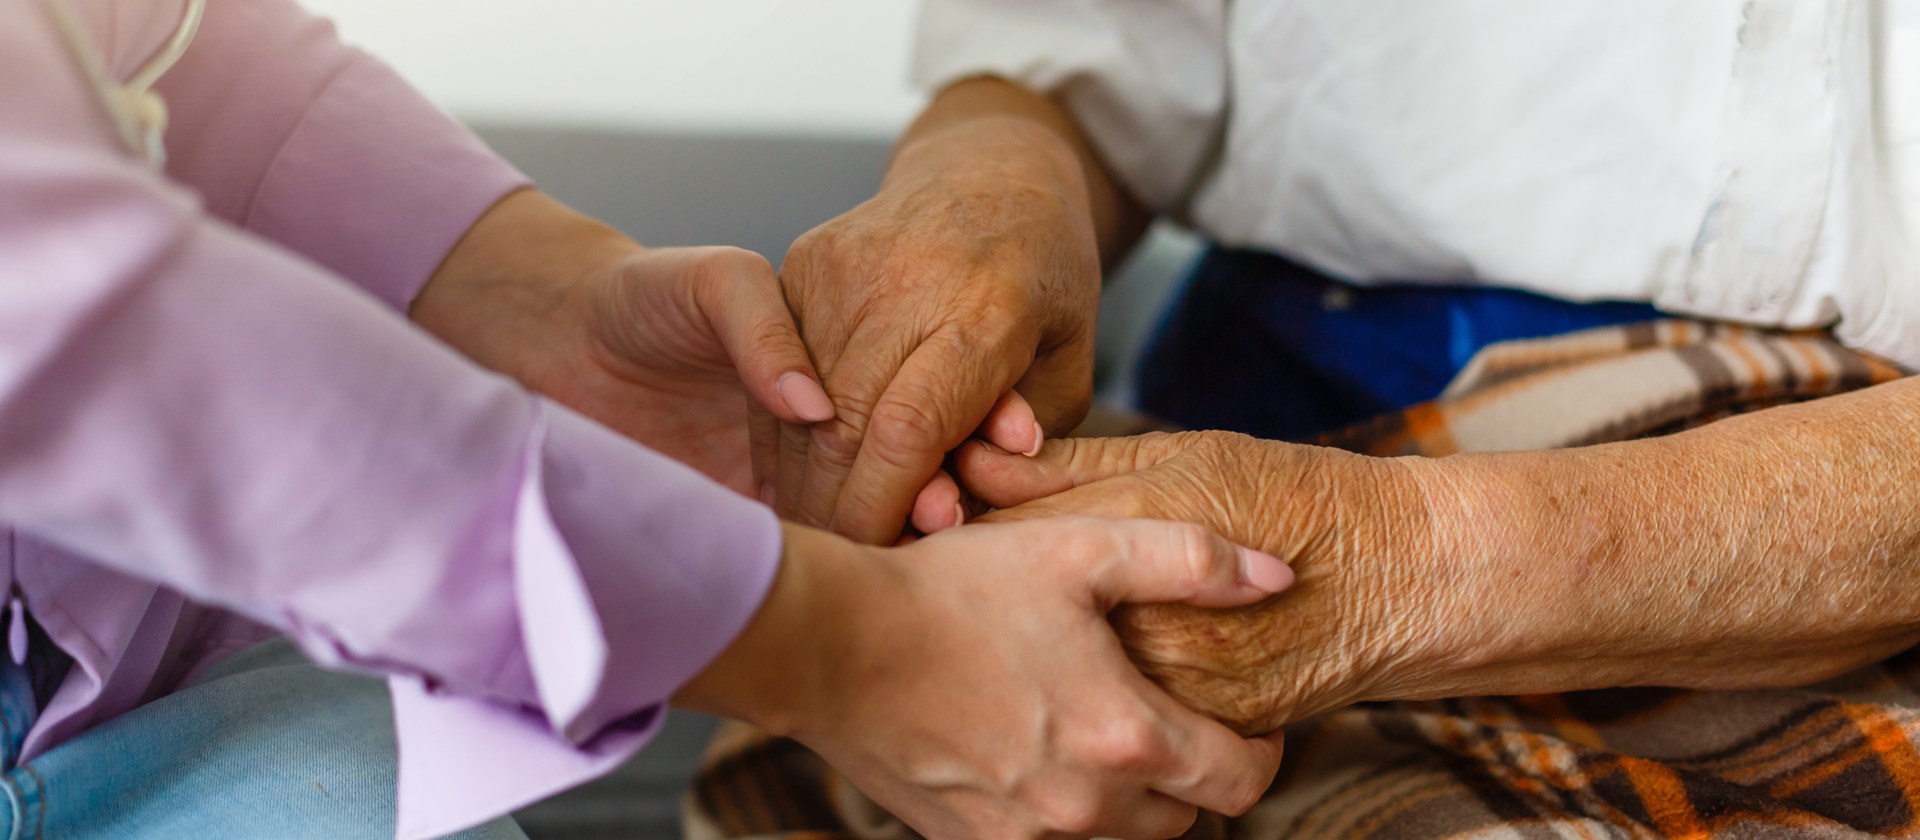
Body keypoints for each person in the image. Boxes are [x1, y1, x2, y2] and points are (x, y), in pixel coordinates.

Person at [0, 1, 1302, 838]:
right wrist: (856, 646)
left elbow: (163, 46)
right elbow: (94, 334)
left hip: (141, 674)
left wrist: (528, 286)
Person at [742, 0, 1920, 833]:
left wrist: (1389, 567)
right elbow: (1087, 55)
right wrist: (990, 176)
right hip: (1266, 395)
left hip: (1816, 522)